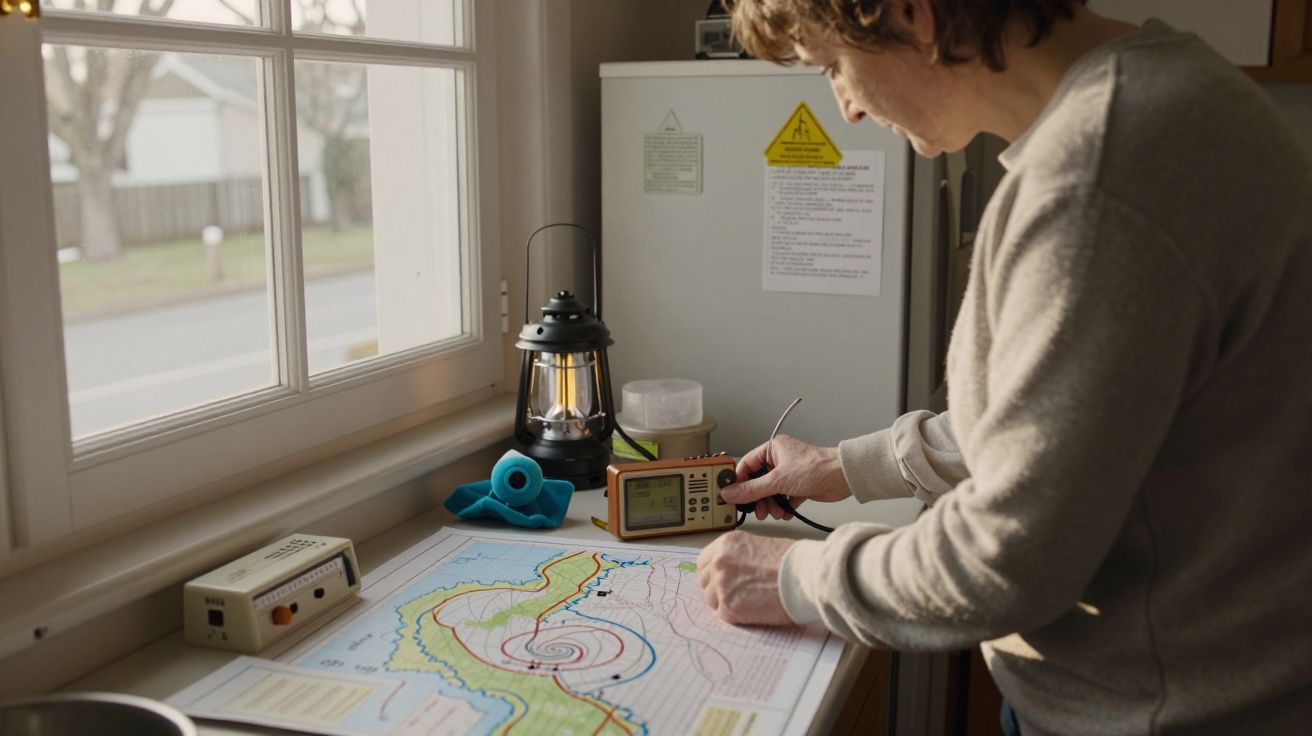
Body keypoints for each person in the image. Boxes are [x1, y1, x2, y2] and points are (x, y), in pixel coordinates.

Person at [694, 0, 1312, 733]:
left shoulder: (1098, 180)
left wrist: (793, 577)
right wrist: (843, 467)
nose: (846, 108)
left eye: (833, 66)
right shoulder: (1164, 93)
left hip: (1163, 714)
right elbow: (1070, 422)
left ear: (913, 15)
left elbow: (1006, 559)